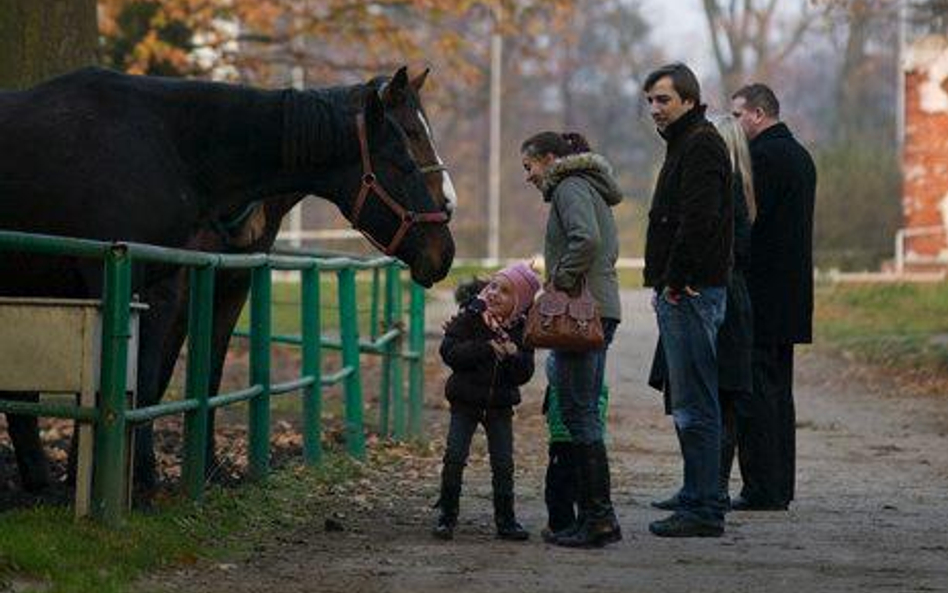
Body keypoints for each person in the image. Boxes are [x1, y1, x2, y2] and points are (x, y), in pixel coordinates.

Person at [648, 114, 758, 512]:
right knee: (693, 397)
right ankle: (699, 486)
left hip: (710, 293)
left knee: (708, 399)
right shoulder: (721, 183)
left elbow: (719, 239)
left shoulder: (719, 184)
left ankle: (709, 490)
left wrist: (684, 276)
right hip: (704, 290)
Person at [520, 130, 623, 548]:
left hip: (580, 315)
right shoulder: (588, 187)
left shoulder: (569, 186)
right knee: (583, 414)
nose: (528, 176)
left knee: (579, 414)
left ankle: (598, 519)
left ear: (547, 158)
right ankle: (596, 516)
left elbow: (587, 239)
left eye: (528, 167)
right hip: (599, 310)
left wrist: (558, 283)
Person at [643, 63, 733, 537]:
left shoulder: (699, 145)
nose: (655, 109)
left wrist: (675, 281)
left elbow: (699, 222)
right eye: (651, 101)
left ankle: (703, 507)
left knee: (696, 402)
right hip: (684, 289)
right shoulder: (686, 143)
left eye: (664, 100)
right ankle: (699, 492)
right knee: (691, 399)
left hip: (691, 292)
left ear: (690, 102)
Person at [730, 83, 816, 511]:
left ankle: (762, 488)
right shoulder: (799, 155)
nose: (734, 124)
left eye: (737, 115)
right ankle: (779, 485)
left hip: (761, 294)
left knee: (757, 393)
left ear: (759, 114)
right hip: (790, 294)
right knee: (779, 393)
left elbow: (750, 226)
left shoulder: (762, 158)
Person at [433, 261, 541, 541]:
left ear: (519, 303)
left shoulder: (522, 331)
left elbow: (524, 374)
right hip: (465, 401)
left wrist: (513, 355)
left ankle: (506, 519)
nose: (493, 293)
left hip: (500, 406)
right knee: (455, 456)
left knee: (503, 462)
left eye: (505, 291)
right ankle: (447, 514)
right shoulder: (470, 317)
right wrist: (485, 348)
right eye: (493, 285)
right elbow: (449, 352)